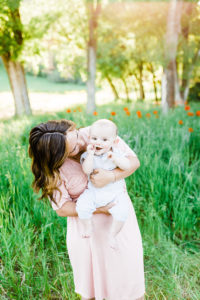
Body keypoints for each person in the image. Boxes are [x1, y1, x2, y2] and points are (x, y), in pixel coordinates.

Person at [29, 119, 145, 300]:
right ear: (57, 154)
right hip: (87, 228)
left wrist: (112, 176)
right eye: (71, 148)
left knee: (128, 278)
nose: (80, 144)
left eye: (76, 137)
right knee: (93, 286)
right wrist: (100, 209)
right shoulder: (53, 169)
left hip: (118, 218)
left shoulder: (99, 133)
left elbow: (133, 162)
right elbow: (62, 209)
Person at [76, 119, 131, 249]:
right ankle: (88, 226)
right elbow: (87, 170)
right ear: (89, 139)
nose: (98, 142)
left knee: (122, 212)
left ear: (114, 141)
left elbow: (127, 166)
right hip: (93, 192)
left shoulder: (116, 153)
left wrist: (116, 159)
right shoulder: (87, 155)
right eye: (94, 138)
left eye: (104, 140)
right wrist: (90, 154)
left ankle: (112, 235)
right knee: (82, 206)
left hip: (115, 193)